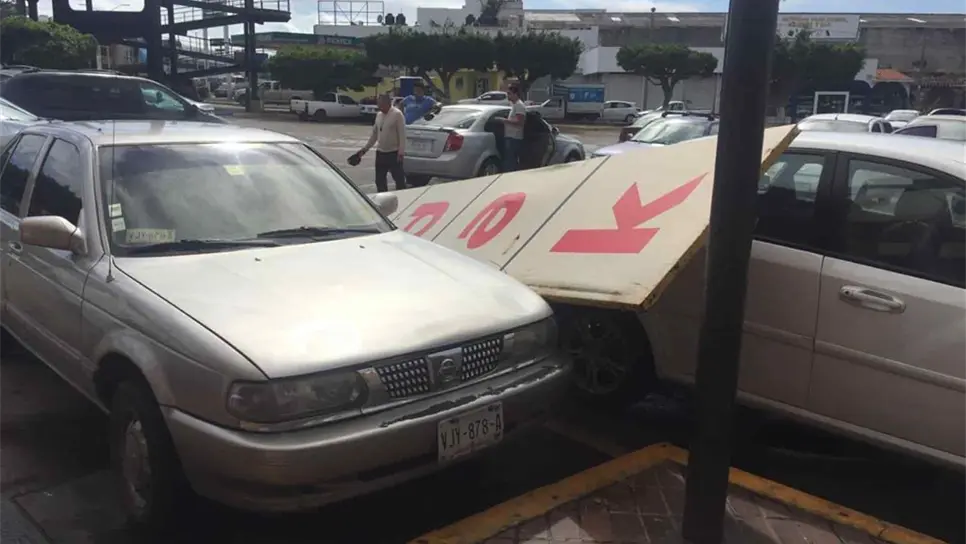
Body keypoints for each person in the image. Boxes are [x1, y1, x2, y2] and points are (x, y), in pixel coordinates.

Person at [355, 93, 407, 193]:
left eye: (381, 104)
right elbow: (374, 134)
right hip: (381, 152)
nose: (379, 107)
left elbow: (402, 135)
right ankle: (383, 200)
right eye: (378, 104)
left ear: (388, 103)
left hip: (394, 153)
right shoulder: (379, 115)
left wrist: (401, 152)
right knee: (379, 180)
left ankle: (403, 197)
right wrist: (364, 150)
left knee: (399, 180)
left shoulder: (397, 114)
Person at [499, 84, 527, 172]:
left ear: (515, 94)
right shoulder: (514, 105)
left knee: (510, 160)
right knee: (509, 159)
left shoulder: (519, 105)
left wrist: (504, 120)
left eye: (510, 93)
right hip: (510, 136)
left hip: (514, 137)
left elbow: (520, 122)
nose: (508, 96)